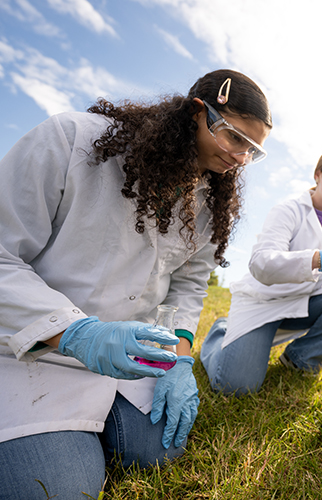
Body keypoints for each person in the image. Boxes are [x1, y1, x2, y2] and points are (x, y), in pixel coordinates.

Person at [0, 68, 272, 498]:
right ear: (196, 113)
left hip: (131, 353)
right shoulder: (71, 141)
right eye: (235, 138)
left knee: (160, 448)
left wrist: (181, 358)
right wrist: (76, 333)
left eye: (252, 151)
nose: (240, 159)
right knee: (58, 489)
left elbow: (189, 285)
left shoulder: (208, 199)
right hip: (35, 349)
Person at [200, 147, 322, 396]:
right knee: (235, 387)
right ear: (318, 174)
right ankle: (220, 333)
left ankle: (300, 358)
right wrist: (319, 259)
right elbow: (262, 263)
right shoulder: (288, 210)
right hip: (264, 303)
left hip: (305, 302)